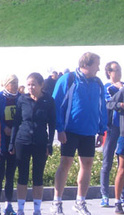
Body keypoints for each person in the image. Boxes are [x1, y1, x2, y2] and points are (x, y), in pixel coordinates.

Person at [51, 52, 107, 215]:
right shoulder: (69, 79)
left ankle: (80, 202)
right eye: (97, 64)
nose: (99, 68)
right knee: (65, 163)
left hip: (89, 131)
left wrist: (101, 130)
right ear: (87, 65)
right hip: (70, 130)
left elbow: (101, 106)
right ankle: (57, 202)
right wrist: (59, 129)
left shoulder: (97, 82)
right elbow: (56, 104)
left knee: (87, 165)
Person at [10, 73, 56, 215]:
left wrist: (50, 144)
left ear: (41, 85)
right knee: (22, 175)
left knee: (38, 175)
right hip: (22, 140)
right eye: (29, 84)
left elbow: (52, 124)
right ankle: (21, 209)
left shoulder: (48, 100)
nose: (31, 87)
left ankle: (37, 209)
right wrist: (12, 143)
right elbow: (16, 122)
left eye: (34, 84)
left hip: (40, 141)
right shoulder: (22, 99)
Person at [0, 74, 20, 215]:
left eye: (16, 83)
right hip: (1, 141)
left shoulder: (20, 98)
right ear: (6, 84)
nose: (14, 85)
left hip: (14, 142)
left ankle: (9, 204)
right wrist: (3, 127)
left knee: (10, 174)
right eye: (12, 83)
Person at [100, 61, 124, 207]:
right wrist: (120, 103)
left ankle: (121, 193)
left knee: (121, 163)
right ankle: (105, 194)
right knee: (107, 161)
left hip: (122, 127)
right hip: (111, 126)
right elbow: (108, 103)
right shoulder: (107, 87)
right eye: (116, 70)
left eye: (120, 69)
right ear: (109, 72)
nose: (119, 72)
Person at [105, 81, 124, 214]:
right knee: (122, 169)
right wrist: (120, 105)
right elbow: (109, 103)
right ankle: (118, 202)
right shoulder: (122, 91)